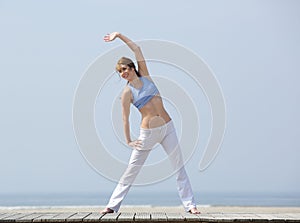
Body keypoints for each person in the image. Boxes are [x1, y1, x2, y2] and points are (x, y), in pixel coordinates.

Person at [101, 32, 200, 214]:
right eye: (120, 72)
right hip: (147, 134)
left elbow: (137, 48)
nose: (123, 73)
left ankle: (190, 205)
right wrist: (129, 140)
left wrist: (119, 35)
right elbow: (124, 117)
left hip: (167, 128)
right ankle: (112, 205)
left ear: (132, 67)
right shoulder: (126, 93)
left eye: (125, 69)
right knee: (132, 170)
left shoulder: (145, 75)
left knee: (179, 167)